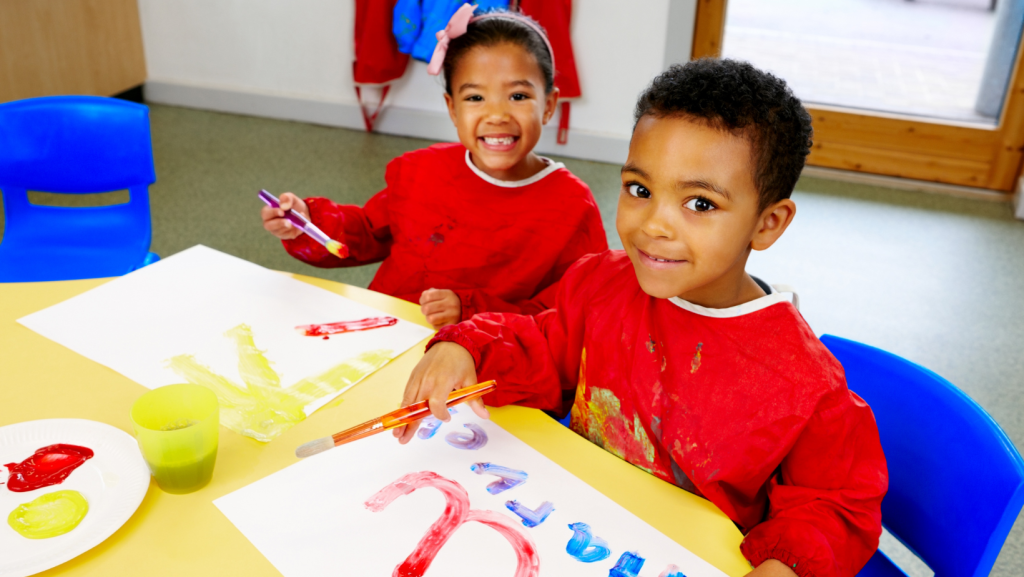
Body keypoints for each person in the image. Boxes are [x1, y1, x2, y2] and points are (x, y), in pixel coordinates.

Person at [395, 59, 888, 577]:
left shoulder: (806, 384)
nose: (654, 225)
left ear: (767, 223)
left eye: (699, 202)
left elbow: (833, 505)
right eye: (639, 190)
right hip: (571, 532)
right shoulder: (602, 284)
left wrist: (784, 566)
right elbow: (543, 346)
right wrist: (467, 347)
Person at [261, 5, 607, 329]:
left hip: (482, 364)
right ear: (452, 108)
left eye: (518, 96)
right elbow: (367, 232)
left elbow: (569, 312)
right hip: (386, 335)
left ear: (549, 106)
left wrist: (471, 310)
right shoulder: (421, 171)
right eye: (475, 97)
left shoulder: (572, 208)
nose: (497, 115)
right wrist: (308, 221)